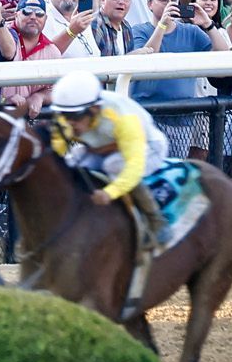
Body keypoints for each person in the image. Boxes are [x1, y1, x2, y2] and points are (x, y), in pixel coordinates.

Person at [44, 67, 164, 255]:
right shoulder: (69, 114)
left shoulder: (123, 118)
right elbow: (57, 151)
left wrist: (109, 193)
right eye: (65, 115)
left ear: (94, 109)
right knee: (71, 164)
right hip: (102, 147)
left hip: (148, 146)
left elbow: (134, 165)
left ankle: (155, 221)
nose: (69, 122)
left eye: (74, 116)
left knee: (113, 165)